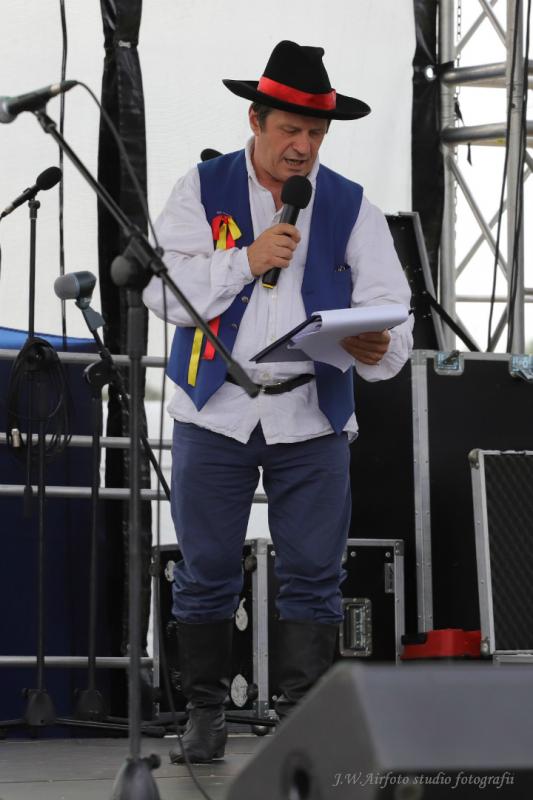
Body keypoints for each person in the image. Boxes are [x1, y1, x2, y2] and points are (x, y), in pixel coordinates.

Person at [142, 39, 413, 764]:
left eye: (316, 134)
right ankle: (204, 712)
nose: (303, 147)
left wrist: (378, 344)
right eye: (291, 129)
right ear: (255, 121)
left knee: (315, 575)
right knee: (205, 569)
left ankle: (301, 722)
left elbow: (393, 306)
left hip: (311, 411)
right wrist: (245, 260)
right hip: (213, 409)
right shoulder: (201, 188)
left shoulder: (350, 204)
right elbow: (159, 289)